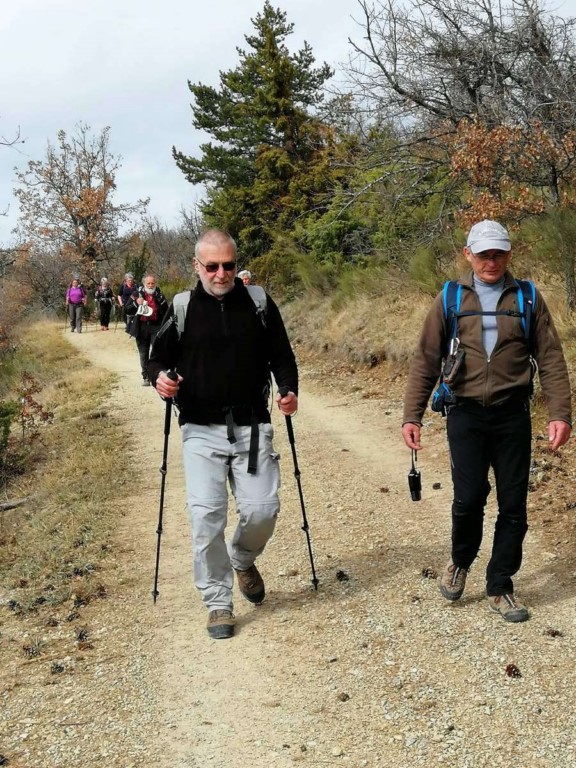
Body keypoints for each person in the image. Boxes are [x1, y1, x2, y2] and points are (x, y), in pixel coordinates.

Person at [402, 219, 572, 623]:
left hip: (513, 413)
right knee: (468, 498)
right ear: (468, 255)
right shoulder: (450, 297)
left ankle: (500, 584)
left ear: (509, 254)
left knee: (513, 504)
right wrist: (412, 415)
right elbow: (426, 358)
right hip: (465, 413)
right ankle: (461, 560)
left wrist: (560, 413)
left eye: (498, 253)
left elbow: (550, 357)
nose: (490, 261)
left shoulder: (528, 297)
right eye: (483, 254)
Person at [149, 229, 298, 640]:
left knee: (262, 509)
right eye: (211, 266)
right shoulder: (182, 307)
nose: (220, 273)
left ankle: (242, 558)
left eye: (228, 265)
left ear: (236, 264)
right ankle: (218, 601)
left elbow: (282, 356)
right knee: (205, 516)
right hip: (200, 429)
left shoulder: (258, 303)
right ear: (197, 266)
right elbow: (156, 359)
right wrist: (160, 379)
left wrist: (288, 390)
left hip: (252, 426)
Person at [124, 274, 168, 386]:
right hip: (141, 327)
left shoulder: (159, 295)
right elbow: (127, 309)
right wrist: (136, 303)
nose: (151, 285)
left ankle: (156, 374)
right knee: (143, 353)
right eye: (148, 283)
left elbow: (167, 311)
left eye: (152, 283)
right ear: (144, 284)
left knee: (156, 352)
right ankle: (145, 376)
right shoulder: (136, 294)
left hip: (156, 326)